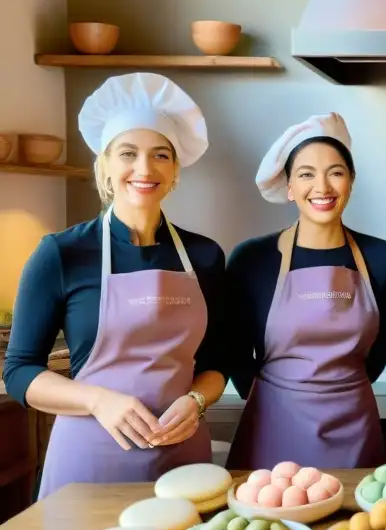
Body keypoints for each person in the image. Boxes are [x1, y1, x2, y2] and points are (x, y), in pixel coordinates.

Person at [3, 72, 228, 499]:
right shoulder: (62, 253)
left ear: (175, 169)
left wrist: (196, 401)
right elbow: (19, 371)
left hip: (182, 462)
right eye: (128, 153)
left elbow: (219, 361)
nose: (145, 169)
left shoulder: (204, 256)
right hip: (89, 464)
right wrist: (98, 401)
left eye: (161, 155)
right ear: (104, 163)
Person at [224, 113, 386, 470]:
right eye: (306, 174)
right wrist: (277, 399)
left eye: (335, 172)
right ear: (289, 187)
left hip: (354, 426)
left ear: (351, 181)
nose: (322, 187)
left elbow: (381, 348)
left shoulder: (384, 258)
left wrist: (343, 390)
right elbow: (235, 353)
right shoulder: (252, 258)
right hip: (272, 428)